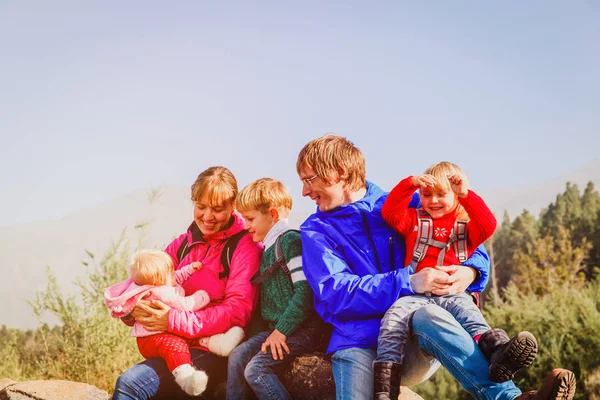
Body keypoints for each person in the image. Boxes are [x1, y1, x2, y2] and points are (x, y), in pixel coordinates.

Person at [296, 134, 576, 400]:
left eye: (310, 179)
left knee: (428, 312)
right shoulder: (315, 231)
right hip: (356, 341)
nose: (305, 191)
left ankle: (510, 397)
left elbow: (464, 241)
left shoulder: (411, 202)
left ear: (340, 172)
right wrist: (410, 281)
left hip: (413, 337)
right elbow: (336, 293)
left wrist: (471, 271)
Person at [374, 162, 537, 399]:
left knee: (472, 319)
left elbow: (489, 224)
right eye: (427, 194)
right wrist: (410, 183)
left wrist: (466, 195)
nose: (434, 200)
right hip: (414, 295)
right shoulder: (414, 221)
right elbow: (390, 212)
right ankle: (384, 386)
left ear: (456, 195)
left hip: (453, 294)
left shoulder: (467, 228)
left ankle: (500, 353)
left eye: (442, 194)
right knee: (392, 322)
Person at [112, 166, 262, 400]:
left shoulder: (244, 246)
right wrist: (132, 310)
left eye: (218, 209)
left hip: (213, 349)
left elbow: (237, 311)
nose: (208, 216)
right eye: (201, 207)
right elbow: (144, 281)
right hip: (173, 347)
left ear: (234, 206)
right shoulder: (183, 243)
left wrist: (172, 319)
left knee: (130, 385)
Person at [227, 178, 326, 400]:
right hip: (278, 328)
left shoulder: (289, 242)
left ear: (272, 214)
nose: (246, 225)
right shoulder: (267, 248)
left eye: (250, 219)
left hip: (303, 329)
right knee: (238, 355)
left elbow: (305, 292)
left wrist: (281, 331)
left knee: (257, 370)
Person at [105, 249, 246, 396]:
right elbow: (186, 305)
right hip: (158, 337)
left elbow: (176, 275)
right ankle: (185, 376)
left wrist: (190, 268)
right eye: (170, 273)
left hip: (186, 335)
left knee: (131, 382)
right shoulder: (163, 291)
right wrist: (202, 297)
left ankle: (218, 344)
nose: (174, 274)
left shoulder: (161, 280)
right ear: (160, 281)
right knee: (174, 346)